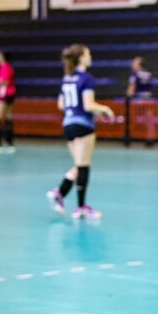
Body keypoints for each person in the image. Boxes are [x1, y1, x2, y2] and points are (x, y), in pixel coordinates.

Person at [46, 44, 114, 219]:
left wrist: (79, 111)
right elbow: (88, 105)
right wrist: (105, 109)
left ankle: (60, 193)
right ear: (82, 57)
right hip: (83, 125)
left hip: (68, 125)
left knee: (78, 164)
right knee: (84, 166)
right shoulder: (86, 78)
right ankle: (81, 207)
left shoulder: (67, 77)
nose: (90, 56)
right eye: (88, 54)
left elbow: (61, 104)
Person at [0, 51, 17, 154]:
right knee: (8, 117)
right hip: (10, 94)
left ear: (3, 57)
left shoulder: (4, 67)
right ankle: (9, 144)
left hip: (5, 95)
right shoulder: (8, 67)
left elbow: (5, 81)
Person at [126, 56, 155, 147]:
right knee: (149, 121)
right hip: (148, 100)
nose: (132, 64)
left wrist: (128, 96)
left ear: (139, 64)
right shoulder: (148, 74)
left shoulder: (135, 74)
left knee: (131, 119)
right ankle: (150, 139)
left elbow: (131, 88)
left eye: (134, 63)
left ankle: (129, 138)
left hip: (137, 101)